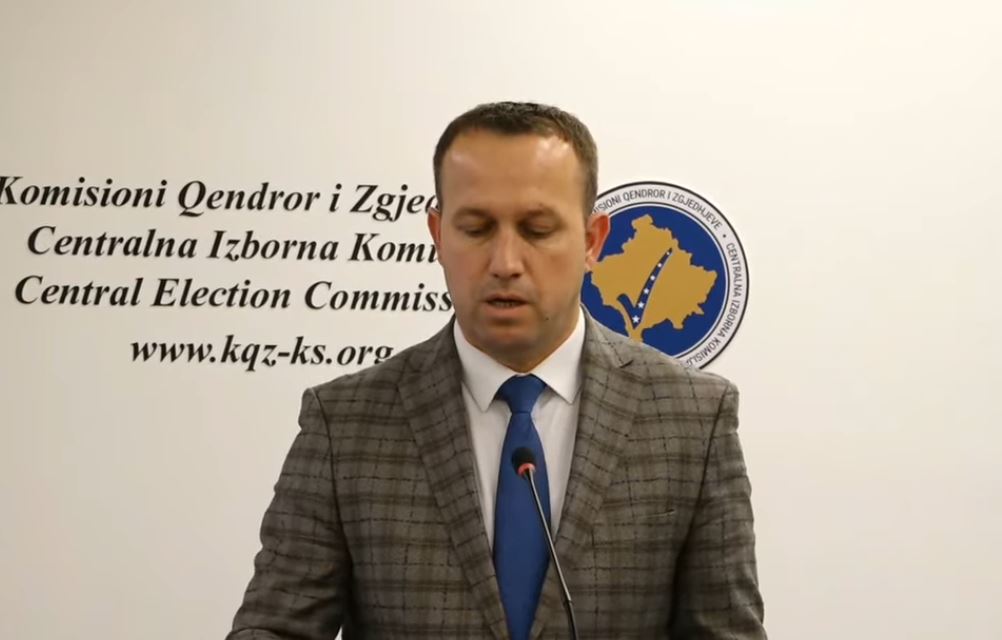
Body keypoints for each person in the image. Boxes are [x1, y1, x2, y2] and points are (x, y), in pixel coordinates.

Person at [228, 101, 766, 639]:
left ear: (592, 241)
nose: (505, 262)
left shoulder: (693, 418)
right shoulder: (343, 423)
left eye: (537, 229)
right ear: (438, 235)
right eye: (477, 228)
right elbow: (274, 627)